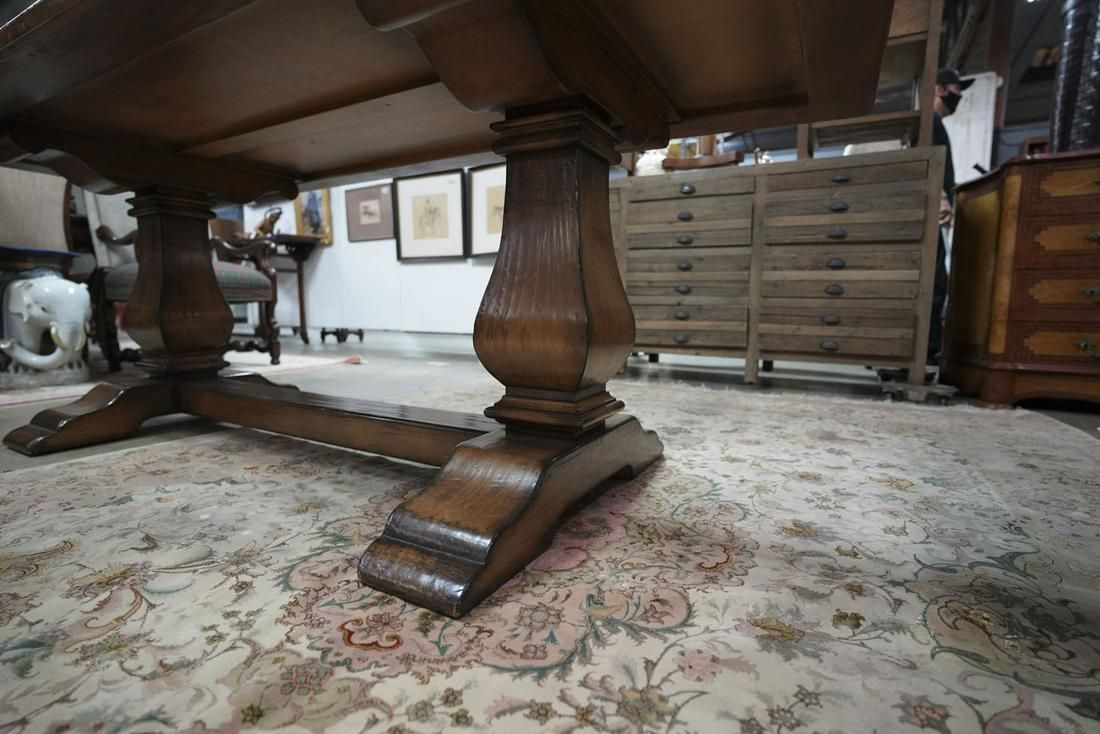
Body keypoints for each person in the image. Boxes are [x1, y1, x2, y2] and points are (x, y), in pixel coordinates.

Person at [928, 68, 973, 364]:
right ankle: (927, 355)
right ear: (941, 89)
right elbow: (933, 164)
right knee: (935, 281)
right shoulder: (930, 122)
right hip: (932, 207)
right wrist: (942, 198)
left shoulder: (936, 123)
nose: (959, 95)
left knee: (936, 280)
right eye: (957, 89)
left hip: (935, 207)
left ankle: (927, 352)